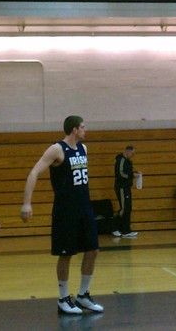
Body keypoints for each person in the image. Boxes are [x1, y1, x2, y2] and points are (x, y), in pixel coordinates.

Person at [20, 116, 105, 316]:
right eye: (83, 127)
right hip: (65, 210)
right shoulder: (56, 149)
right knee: (65, 254)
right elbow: (34, 173)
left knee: (93, 250)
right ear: (74, 129)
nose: (86, 130)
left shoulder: (83, 149)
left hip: (84, 207)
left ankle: (83, 294)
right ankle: (63, 298)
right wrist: (26, 203)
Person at [113, 145, 141, 238]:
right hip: (121, 187)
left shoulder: (128, 161)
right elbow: (121, 173)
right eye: (132, 153)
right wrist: (132, 175)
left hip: (127, 187)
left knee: (128, 208)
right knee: (124, 208)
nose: (133, 155)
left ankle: (126, 230)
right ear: (127, 151)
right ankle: (114, 227)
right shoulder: (121, 160)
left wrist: (135, 172)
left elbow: (128, 172)